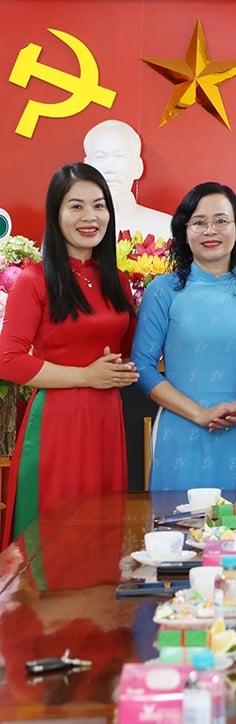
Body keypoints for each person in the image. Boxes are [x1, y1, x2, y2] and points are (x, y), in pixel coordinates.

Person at [0, 163, 138, 547]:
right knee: (58, 537)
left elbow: (125, 353)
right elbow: (8, 359)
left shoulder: (117, 280)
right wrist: (86, 376)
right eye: (76, 206)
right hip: (59, 422)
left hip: (108, 418)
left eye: (99, 205)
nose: (90, 217)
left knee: (101, 535)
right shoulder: (34, 279)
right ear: (56, 213)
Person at [131, 182, 236, 492]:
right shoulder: (163, 291)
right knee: (178, 529)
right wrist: (200, 413)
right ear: (184, 231)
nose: (211, 230)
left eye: (221, 220)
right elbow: (141, 366)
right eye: (199, 222)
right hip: (180, 432)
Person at [82, 119, 172, 239]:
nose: (110, 168)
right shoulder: (70, 230)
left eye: (120, 157)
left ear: (138, 167)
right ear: (86, 167)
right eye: (100, 157)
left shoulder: (165, 228)